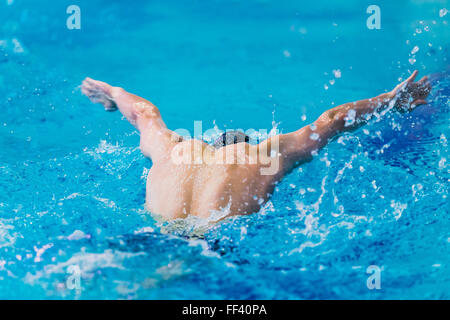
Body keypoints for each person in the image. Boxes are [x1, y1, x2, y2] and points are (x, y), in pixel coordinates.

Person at [81, 70, 431, 220]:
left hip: (157, 235)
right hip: (217, 247)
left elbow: (143, 112)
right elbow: (333, 120)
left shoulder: (174, 148)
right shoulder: (264, 155)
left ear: (211, 144)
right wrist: (389, 100)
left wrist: (112, 93)